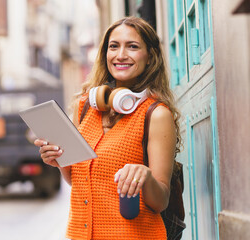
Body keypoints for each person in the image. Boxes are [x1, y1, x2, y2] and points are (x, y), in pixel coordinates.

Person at [34, 16, 181, 240]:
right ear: (105, 54)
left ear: (150, 57)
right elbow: (80, 182)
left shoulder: (156, 114)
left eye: (132, 46)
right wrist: (59, 162)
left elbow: (161, 201)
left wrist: (145, 176)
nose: (121, 55)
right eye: (114, 46)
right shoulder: (85, 107)